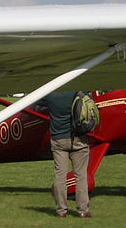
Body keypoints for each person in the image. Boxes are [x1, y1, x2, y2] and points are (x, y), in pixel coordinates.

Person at [38, 90, 91, 218]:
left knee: (60, 175)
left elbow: (38, 100)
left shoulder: (51, 95)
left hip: (58, 140)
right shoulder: (80, 91)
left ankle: (61, 211)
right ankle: (83, 210)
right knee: (81, 176)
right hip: (79, 139)